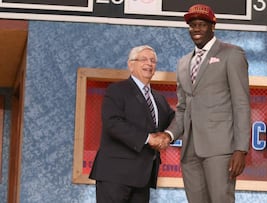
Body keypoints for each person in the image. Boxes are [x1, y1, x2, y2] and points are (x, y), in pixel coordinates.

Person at [165, 4, 251, 203]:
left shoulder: (232, 54)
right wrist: (169, 135)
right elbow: (183, 108)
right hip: (190, 150)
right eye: (192, 25)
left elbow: (241, 104)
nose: (196, 29)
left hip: (220, 149)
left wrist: (241, 149)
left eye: (202, 24)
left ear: (213, 26)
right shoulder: (183, 62)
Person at [89, 45, 174, 203]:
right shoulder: (117, 90)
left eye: (153, 60)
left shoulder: (160, 99)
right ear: (131, 64)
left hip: (143, 178)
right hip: (115, 175)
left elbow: (175, 120)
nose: (149, 63)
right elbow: (113, 123)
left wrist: (168, 135)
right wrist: (149, 139)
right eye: (143, 59)